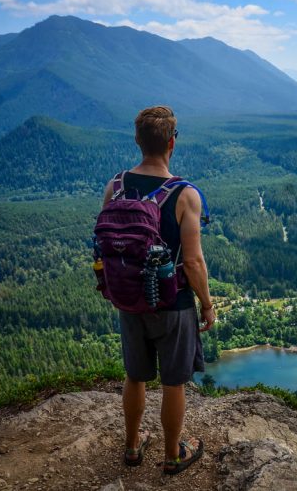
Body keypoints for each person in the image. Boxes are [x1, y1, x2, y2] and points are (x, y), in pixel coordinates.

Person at [101, 105, 216, 475]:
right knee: (173, 381)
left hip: (129, 299)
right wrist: (207, 305)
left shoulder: (115, 186)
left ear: (138, 141)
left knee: (135, 375)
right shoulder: (184, 194)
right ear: (172, 143)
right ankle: (172, 454)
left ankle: (133, 447)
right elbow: (194, 263)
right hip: (173, 302)